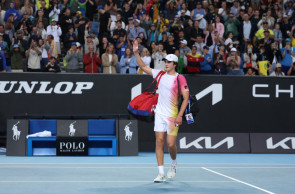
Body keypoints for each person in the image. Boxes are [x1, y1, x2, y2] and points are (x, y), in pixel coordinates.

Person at [132, 39, 189, 183]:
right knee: (159, 142)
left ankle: (174, 163)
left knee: (170, 144)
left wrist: (180, 115)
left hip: (173, 115)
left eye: (169, 62)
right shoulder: (159, 74)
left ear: (175, 64)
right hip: (159, 113)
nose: (166, 63)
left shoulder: (180, 78)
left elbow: (186, 98)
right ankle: (161, 173)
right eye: (165, 61)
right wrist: (136, 52)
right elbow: (143, 66)